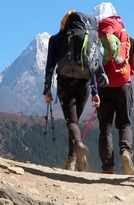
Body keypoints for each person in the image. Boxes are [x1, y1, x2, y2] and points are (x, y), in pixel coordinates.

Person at [43, 10, 101, 172]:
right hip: (85, 84)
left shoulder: (56, 39)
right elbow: (93, 65)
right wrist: (96, 91)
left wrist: (47, 89)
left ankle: (77, 147)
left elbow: (49, 66)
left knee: (71, 121)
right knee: (74, 122)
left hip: (65, 83)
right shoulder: (88, 38)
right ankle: (72, 160)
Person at [96, 9, 134, 175]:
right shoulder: (130, 40)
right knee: (125, 123)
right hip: (124, 86)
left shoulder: (99, 40)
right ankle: (126, 152)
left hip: (104, 87)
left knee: (105, 127)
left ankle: (108, 167)